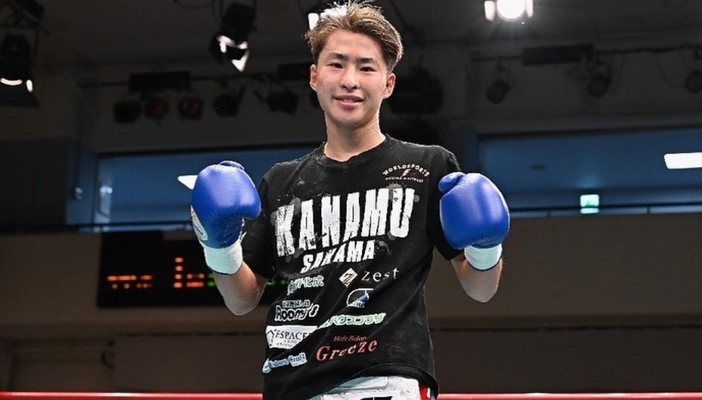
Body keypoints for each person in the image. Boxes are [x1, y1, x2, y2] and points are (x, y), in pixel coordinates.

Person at [190, 1, 510, 399]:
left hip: (382, 380)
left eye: (366, 67)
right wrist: (218, 246)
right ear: (314, 76)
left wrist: (485, 246)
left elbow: (481, 289)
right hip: (289, 383)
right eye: (337, 64)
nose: (349, 81)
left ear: (388, 84)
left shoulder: (427, 167)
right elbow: (241, 299)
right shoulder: (280, 181)